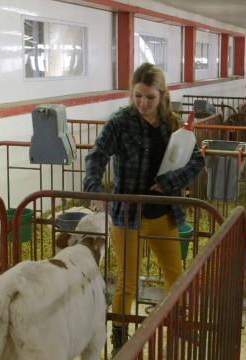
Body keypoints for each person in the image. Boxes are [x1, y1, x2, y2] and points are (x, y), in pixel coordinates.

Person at [83, 62, 204, 354]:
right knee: (127, 281)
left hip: (163, 211)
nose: (143, 103)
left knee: (175, 273)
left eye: (150, 97)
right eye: (137, 96)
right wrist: (94, 188)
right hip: (127, 213)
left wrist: (170, 181)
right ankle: (120, 339)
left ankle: (179, 325)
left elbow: (197, 160)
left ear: (162, 95)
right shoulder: (120, 121)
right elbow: (97, 155)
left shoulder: (173, 124)